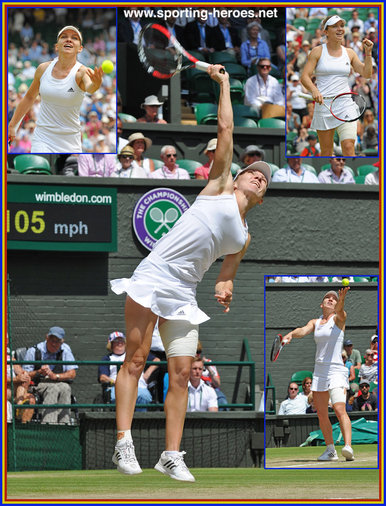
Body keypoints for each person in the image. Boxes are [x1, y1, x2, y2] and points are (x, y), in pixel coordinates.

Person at [109, 64, 271, 482]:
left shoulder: (244, 238)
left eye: (265, 180)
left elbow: (225, 275)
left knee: (182, 373)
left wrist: (225, 288)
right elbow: (226, 126)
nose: (259, 177)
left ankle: (171, 455)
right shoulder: (218, 183)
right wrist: (222, 85)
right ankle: (123, 443)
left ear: (262, 197)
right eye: (253, 172)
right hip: (154, 274)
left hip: (185, 292)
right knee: (137, 359)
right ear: (236, 179)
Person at [281, 288, 355, 461]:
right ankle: (331, 450)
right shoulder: (315, 322)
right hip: (320, 371)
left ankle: (348, 447)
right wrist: (291, 334)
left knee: (338, 408)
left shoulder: (339, 318)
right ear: (321, 304)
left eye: (334, 299)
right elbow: (303, 330)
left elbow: (342, 311)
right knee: (321, 413)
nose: (331, 299)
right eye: (327, 298)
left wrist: (342, 300)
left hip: (336, 370)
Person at [8, 26, 103, 152]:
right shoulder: (42, 69)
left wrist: (96, 85)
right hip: (42, 138)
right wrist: (12, 125)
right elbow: (29, 97)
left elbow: (90, 88)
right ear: (57, 46)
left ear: (80, 49)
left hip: (71, 142)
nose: (68, 40)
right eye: (64, 37)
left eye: (74, 38)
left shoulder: (83, 72)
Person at [300, 15, 374, 156]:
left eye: (341, 26)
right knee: (326, 152)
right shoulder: (317, 51)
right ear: (326, 31)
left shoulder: (350, 53)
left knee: (348, 147)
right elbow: (304, 77)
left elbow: (367, 73)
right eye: (335, 26)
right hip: (324, 105)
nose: (340, 29)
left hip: (345, 104)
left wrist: (368, 53)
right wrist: (314, 90)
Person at [22, 326, 78, 424]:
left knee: (66, 388)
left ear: (62, 342)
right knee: (53, 388)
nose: (54, 344)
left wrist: (56, 376)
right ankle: (49, 425)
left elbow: (72, 373)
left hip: (58, 381)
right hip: (38, 384)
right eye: (52, 340)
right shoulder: (34, 351)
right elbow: (24, 375)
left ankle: (64, 425)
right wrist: (38, 372)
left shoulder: (65, 349)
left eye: (57, 341)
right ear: (47, 338)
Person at [98, 331, 158, 409]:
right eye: (116, 341)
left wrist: (147, 374)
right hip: (118, 388)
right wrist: (114, 382)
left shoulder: (135, 354)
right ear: (111, 344)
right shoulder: (107, 359)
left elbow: (156, 360)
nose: (120, 343)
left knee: (143, 396)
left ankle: (141, 420)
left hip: (139, 387)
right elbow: (103, 377)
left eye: (122, 340)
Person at [196, 339, 228, 408]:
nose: (196, 355)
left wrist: (208, 368)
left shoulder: (208, 362)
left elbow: (217, 384)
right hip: (195, 389)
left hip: (210, 388)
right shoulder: (186, 364)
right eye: (194, 352)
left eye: (198, 352)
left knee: (222, 402)